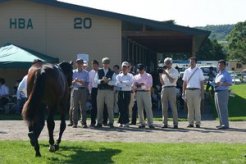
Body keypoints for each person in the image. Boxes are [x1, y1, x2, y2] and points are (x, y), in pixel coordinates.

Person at [182, 57, 204, 128]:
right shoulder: (186, 71)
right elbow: (184, 82)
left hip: (197, 90)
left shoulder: (199, 70)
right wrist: (183, 92)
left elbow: (202, 82)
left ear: (195, 62)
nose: (191, 63)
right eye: (190, 61)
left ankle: (198, 123)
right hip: (188, 90)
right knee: (190, 108)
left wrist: (202, 92)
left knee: (197, 108)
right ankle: (190, 122)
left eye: (192, 61)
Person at [94, 57, 116, 128]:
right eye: (104, 63)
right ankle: (99, 122)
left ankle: (111, 122)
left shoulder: (112, 72)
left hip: (109, 91)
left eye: (107, 63)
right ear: (102, 64)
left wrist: (108, 81)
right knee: (99, 107)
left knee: (110, 107)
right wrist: (101, 81)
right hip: (100, 91)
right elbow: (95, 80)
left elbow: (115, 82)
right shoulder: (99, 71)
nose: (106, 65)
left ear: (109, 64)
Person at [159, 57, 179, 129]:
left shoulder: (175, 71)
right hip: (164, 88)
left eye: (168, 63)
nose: (167, 64)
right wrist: (160, 75)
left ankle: (175, 123)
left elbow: (172, 81)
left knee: (173, 106)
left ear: (171, 63)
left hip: (172, 88)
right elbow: (162, 82)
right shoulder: (163, 71)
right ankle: (164, 123)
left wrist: (166, 73)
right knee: (164, 107)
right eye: (166, 63)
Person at [133, 63, 155, 129]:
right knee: (140, 109)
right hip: (138, 93)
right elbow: (133, 86)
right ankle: (142, 123)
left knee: (148, 108)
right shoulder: (136, 76)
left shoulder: (148, 75)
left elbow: (149, 85)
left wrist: (140, 85)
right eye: (139, 69)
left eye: (141, 69)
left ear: (144, 69)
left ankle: (150, 123)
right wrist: (140, 85)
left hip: (146, 92)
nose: (140, 70)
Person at [69, 58, 89, 128]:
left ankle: (84, 122)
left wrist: (82, 82)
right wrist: (74, 81)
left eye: (81, 63)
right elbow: (69, 83)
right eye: (78, 63)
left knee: (83, 107)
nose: (79, 64)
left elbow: (87, 84)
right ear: (76, 64)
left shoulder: (86, 73)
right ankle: (75, 123)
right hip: (75, 90)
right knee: (74, 107)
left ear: (82, 64)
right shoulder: (73, 72)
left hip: (83, 90)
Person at [214, 60, 232, 129]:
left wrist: (221, 83)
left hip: (223, 92)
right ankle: (221, 123)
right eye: (219, 65)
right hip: (217, 92)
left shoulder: (226, 74)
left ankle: (225, 124)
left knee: (223, 109)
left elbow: (230, 83)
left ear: (224, 66)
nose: (219, 66)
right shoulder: (218, 73)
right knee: (218, 109)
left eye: (221, 65)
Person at [115, 61, 134, 127]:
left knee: (126, 107)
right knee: (121, 107)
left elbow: (130, 83)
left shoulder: (131, 75)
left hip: (127, 92)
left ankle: (124, 122)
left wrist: (122, 82)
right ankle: (123, 121)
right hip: (120, 92)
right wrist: (126, 83)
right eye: (123, 67)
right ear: (121, 68)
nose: (125, 68)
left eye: (126, 67)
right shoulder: (118, 76)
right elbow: (117, 84)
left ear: (128, 68)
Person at [88, 60, 99, 127]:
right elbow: (89, 83)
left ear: (98, 65)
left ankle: (102, 121)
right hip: (93, 90)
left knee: (101, 106)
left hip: (100, 89)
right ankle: (93, 122)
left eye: (95, 65)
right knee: (93, 106)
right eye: (93, 65)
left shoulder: (101, 71)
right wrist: (90, 91)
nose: (94, 66)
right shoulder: (90, 72)